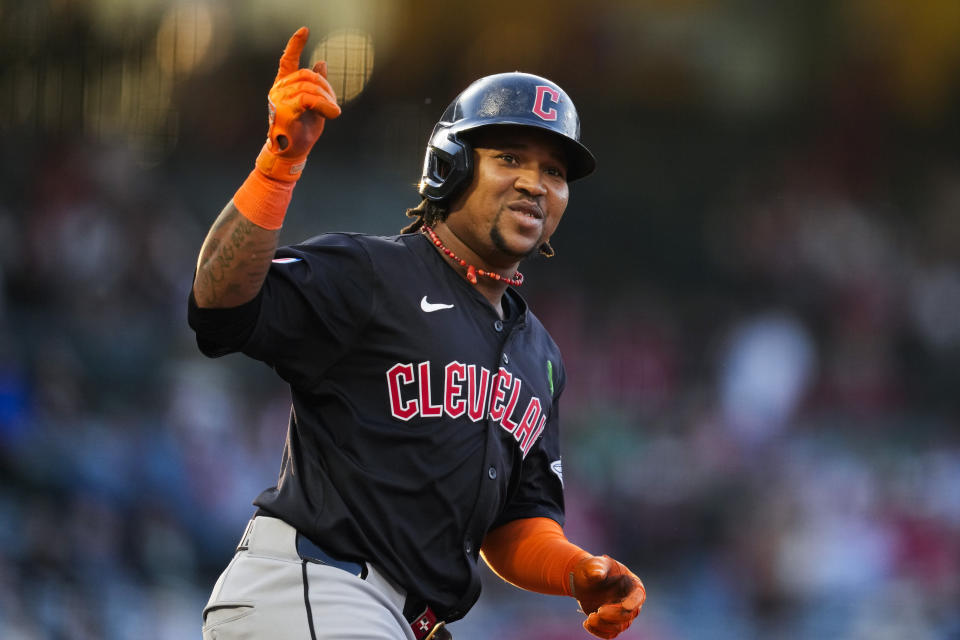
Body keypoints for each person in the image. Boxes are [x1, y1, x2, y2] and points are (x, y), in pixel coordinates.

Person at [189, 27, 645, 640]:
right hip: (317, 588)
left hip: (396, 622)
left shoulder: (540, 354)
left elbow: (516, 524)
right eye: (509, 158)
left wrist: (577, 571)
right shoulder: (373, 273)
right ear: (449, 165)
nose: (536, 183)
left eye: (554, 171)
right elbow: (219, 304)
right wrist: (277, 165)